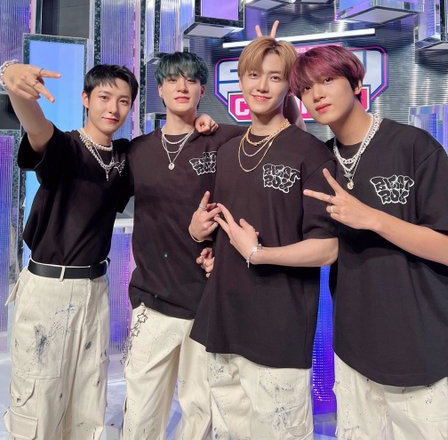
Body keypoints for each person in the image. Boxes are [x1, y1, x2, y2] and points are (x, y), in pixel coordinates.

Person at [289, 44, 448, 440]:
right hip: (353, 349)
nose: (317, 94)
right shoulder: (320, 161)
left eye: (328, 80)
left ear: (357, 84)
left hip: (423, 348)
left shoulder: (413, 146)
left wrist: (373, 219)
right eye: (306, 88)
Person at [189, 37, 338, 440]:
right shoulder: (227, 152)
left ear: (289, 86)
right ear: (240, 80)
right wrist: (209, 245)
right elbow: (224, 227)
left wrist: (257, 253)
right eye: (254, 75)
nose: (261, 86)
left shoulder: (311, 153)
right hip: (222, 323)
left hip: (278, 330)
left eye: (274, 77)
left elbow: (327, 248)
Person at [0, 60, 138, 439]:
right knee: (39, 398)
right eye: (104, 97)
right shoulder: (65, 146)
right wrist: (11, 79)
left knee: (88, 399)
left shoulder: (125, 157)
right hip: (48, 288)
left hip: (96, 289)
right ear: (85, 99)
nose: (113, 108)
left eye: (123, 101)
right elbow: (36, 126)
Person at [121, 51, 243, 440]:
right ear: (159, 90)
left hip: (207, 300)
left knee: (200, 412)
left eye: (191, 80)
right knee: (141, 411)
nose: (182, 87)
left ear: (202, 90)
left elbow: (281, 131)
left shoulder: (224, 139)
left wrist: (221, 246)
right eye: (173, 80)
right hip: (153, 300)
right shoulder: (137, 150)